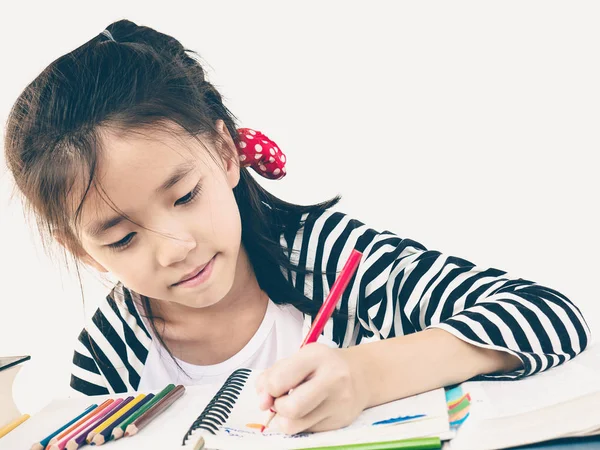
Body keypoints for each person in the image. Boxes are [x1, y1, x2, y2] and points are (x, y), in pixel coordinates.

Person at [3, 20, 590, 434]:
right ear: (81, 251)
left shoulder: (329, 257)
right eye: (123, 238)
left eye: (184, 196)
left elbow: (551, 318)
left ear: (225, 152)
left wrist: (364, 375)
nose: (175, 247)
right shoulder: (107, 357)